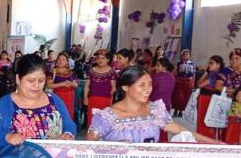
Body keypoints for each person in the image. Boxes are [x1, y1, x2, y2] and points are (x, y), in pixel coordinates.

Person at [86, 65, 215, 144]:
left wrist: (215, 143)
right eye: (142, 85)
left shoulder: (155, 111)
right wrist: (112, 150)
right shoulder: (107, 117)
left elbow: (181, 130)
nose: (148, 89)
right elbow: (87, 149)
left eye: (149, 84)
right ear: (125, 87)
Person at [0, 53, 76, 149]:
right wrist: (6, 137)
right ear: (18, 79)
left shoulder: (54, 100)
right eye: (31, 80)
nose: (36, 85)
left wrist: (68, 134)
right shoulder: (4, 104)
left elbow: (70, 125)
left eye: (41, 80)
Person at [195, 55, 227, 139]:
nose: (209, 65)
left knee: (204, 121)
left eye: (212, 63)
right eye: (209, 63)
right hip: (212, 99)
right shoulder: (220, 74)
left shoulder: (213, 74)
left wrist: (205, 72)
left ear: (218, 65)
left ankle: (204, 140)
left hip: (207, 99)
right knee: (210, 121)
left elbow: (199, 84)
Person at [83, 49, 117, 127]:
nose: (100, 60)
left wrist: (111, 101)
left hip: (106, 100)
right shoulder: (92, 71)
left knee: (105, 123)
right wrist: (85, 99)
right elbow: (87, 85)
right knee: (92, 122)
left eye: (103, 58)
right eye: (98, 58)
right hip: (93, 99)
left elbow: (113, 88)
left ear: (108, 60)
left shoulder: (112, 72)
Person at [48, 52, 78, 121]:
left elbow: (76, 85)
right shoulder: (52, 72)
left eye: (63, 59)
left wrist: (73, 84)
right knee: (58, 116)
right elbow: (48, 85)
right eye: (59, 59)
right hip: (57, 97)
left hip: (70, 97)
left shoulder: (71, 73)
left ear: (67, 62)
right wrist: (62, 84)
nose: (60, 61)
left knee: (68, 115)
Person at [172, 49, 195, 117]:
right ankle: (176, 109)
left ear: (189, 56)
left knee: (185, 97)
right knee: (178, 96)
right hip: (179, 82)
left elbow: (193, 74)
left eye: (187, 54)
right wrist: (176, 77)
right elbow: (174, 72)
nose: (185, 56)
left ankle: (181, 111)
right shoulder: (179, 63)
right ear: (181, 56)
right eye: (184, 54)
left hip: (188, 82)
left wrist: (193, 82)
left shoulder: (192, 64)